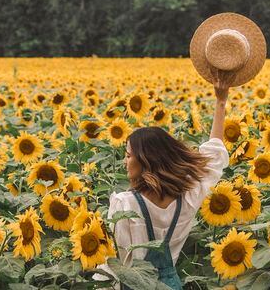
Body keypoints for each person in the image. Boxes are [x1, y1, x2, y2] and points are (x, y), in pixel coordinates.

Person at [92, 71, 231, 289]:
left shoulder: (124, 204)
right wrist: (221, 101)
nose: (124, 162)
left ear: (147, 160)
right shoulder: (188, 197)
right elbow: (214, 155)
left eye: (128, 156)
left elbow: (118, 265)